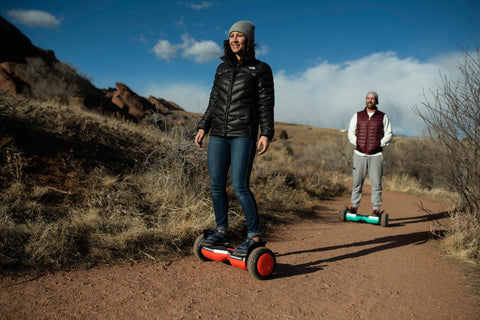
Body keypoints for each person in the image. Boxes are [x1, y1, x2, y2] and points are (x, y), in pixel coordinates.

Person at [195, 20, 274, 256]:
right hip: (218, 133)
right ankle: (222, 232)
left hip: (243, 134)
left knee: (240, 186)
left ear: (248, 40)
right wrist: (203, 127)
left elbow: (265, 104)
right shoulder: (222, 69)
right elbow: (213, 101)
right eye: (231, 36)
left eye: (239, 36)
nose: (234, 40)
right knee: (216, 185)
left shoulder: (260, 69)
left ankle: (254, 236)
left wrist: (266, 132)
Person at [347, 91, 393, 216]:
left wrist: (380, 143)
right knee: (357, 183)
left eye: (373, 99)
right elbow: (351, 132)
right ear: (365, 100)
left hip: (376, 155)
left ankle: (376, 209)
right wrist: (357, 143)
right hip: (359, 154)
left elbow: (389, 133)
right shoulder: (357, 115)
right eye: (368, 98)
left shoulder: (383, 116)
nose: (370, 100)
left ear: (376, 101)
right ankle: (354, 207)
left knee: (376, 184)